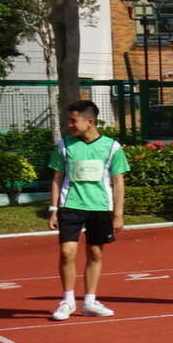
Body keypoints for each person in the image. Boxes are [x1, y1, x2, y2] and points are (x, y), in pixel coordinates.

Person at [46, 99, 128, 320]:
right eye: (69, 120)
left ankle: (89, 302)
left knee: (95, 253)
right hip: (70, 206)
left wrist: (118, 214)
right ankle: (68, 301)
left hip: (99, 208)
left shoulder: (112, 147)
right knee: (67, 252)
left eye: (74, 121)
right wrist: (53, 209)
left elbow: (118, 182)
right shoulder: (64, 146)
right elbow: (57, 178)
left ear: (90, 122)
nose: (70, 125)